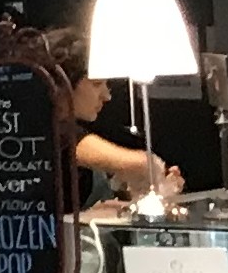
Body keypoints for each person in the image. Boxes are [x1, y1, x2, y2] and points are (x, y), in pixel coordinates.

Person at [32, 25, 185, 205]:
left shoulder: (81, 131)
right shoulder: (45, 132)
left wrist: (133, 191)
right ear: (60, 85)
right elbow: (68, 142)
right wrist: (146, 167)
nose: (107, 96)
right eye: (96, 84)